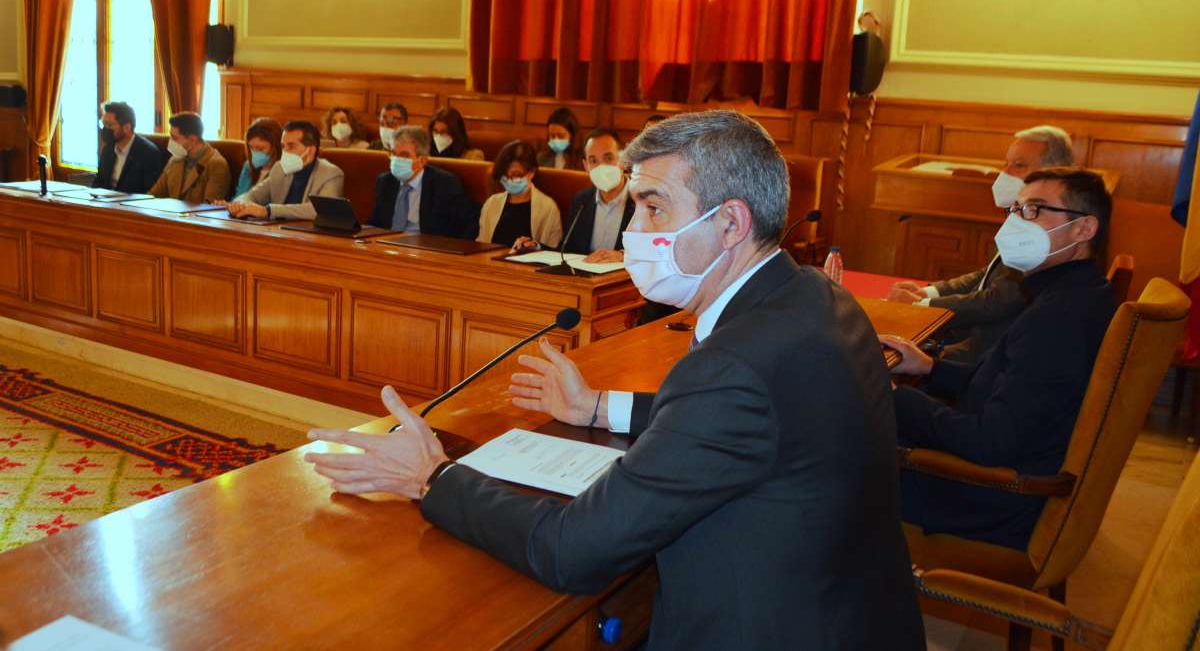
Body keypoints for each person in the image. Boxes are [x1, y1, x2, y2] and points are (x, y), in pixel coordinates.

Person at [305, 110, 926, 651]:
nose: (634, 231)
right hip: (859, 615)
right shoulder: (815, 296)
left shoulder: (734, 366)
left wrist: (431, 477)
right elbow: (752, 419)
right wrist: (600, 407)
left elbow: (573, 549)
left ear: (731, 223)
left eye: (654, 207)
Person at [880, 167, 1116, 551]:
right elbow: (1009, 383)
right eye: (1016, 210)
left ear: (1083, 229)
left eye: (1034, 210)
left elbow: (991, 442)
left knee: (833, 448)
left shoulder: (1059, 317)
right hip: (1006, 475)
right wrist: (929, 367)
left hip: (993, 497)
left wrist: (891, 395)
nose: (1016, 223)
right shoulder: (1078, 292)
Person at [887, 125, 1076, 362]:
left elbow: (1001, 299)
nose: (1005, 173)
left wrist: (924, 305)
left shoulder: (1049, 232)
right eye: (1006, 163)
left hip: (992, 352)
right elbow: (987, 274)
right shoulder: (1023, 214)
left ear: (1054, 173)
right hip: (978, 340)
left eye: (1018, 165)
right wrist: (928, 292)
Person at [514, 127, 631, 262]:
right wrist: (536, 247)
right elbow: (568, 252)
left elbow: (657, 254)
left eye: (609, 158)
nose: (602, 166)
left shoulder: (644, 200)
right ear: (586, 166)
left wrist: (623, 256)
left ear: (624, 159)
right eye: (593, 161)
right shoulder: (581, 200)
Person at [367, 125, 480, 239]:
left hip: (425, 249)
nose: (396, 160)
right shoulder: (385, 181)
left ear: (423, 160)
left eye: (404, 155)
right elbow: (377, 224)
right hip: (386, 247)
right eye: (393, 154)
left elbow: (465, 228)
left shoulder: (445, 184)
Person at [229, 120, 344, 221]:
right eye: (283, 146)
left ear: (310, 151)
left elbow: (320, 210)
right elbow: (251, 195)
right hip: (278, 234)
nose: (285, 152)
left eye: (291, 146)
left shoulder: (331, 173)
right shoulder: (279, 168)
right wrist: (240, 204)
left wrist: (268, 211)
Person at [477, 140, 562, 249]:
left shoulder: (548, 208)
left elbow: (553, 251)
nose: (509, 180)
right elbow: (480, 244)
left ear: (531, 173)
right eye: (505, 176)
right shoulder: (492, 203)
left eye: (515, 176)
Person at [148, 112, 231, 203]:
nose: (170, 142)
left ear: (192, 140)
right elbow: (154, 195)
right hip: (170, 215)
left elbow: (210, 208)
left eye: (174, 138)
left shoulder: (216, 164)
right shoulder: (175, 159)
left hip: (196, 217)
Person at [92, 100, 163, 193]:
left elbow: (150, 192)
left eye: (109, 125)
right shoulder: (108, 149)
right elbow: (98, 182)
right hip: (106, 204)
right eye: (103, 124)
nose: (105, 129)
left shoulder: (148, 153)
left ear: (127, 128)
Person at [233, 117, 283, 199]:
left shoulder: (283, 171)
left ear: (276, 147)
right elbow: (239, 197)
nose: (255, 153)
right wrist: (226, 205)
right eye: (251, 148)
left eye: (260, 149)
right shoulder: (248, 166)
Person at [535, 107, 584, 171]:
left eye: (561, 136)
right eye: (552, 136)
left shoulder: (582, 159)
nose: (556, 140)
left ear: (572, 135)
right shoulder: (541, 158)